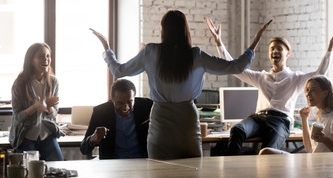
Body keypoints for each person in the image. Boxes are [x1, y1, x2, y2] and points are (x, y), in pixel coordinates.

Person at [90, 10, 272, 160]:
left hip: (160, 119)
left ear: (164, 30)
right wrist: (254, 41)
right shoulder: (196, 55)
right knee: (192, 170)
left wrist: (106, 48)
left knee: (158, 170)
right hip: (187, 119)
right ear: (186, 30)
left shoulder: (151, 52)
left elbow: (119, 71)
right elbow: (237, 66)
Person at [206, 18, 333, 155]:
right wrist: (219, 43)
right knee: (237, 130)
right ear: (269, 54)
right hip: (258, 118)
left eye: (279, 48)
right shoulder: (260, 77)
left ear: (287, 53)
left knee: (267, 152)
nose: (275, 51)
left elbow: (320, 73)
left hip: (281, 121)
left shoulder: (295, 78)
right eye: (272, 49)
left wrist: (330, 47)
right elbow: (234, 67)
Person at [259, 75, 333, 154]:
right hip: (313, 162)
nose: (308, 94)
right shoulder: (322, 115)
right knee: (265, 152)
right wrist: (304, 119)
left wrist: (325, 139)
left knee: (266, 152)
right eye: (307, 90)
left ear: (325, 93)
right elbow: (309, 149)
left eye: (313, 90)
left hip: (323, 167)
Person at [9, 43, 64, 161]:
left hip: (47, 135)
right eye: (41, 56)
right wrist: (34, 108)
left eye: (48, 56)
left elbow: (54, 113)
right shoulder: (20, 83)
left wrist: (48, 108)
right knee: (31, 171)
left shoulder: (53, 81)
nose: (46, 59)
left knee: (59, 167)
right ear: (31, 60)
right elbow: (17, 117)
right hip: (26, 136)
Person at [80, 79, 153, 159]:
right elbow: (84, 149)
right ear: (112, 99)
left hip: (142, 160)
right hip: (112, 163)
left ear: (134, 97)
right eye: (120, 103)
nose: (125, 107)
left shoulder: (148, 106)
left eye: (129, 102)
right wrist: (93, 139)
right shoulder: (101, 112)